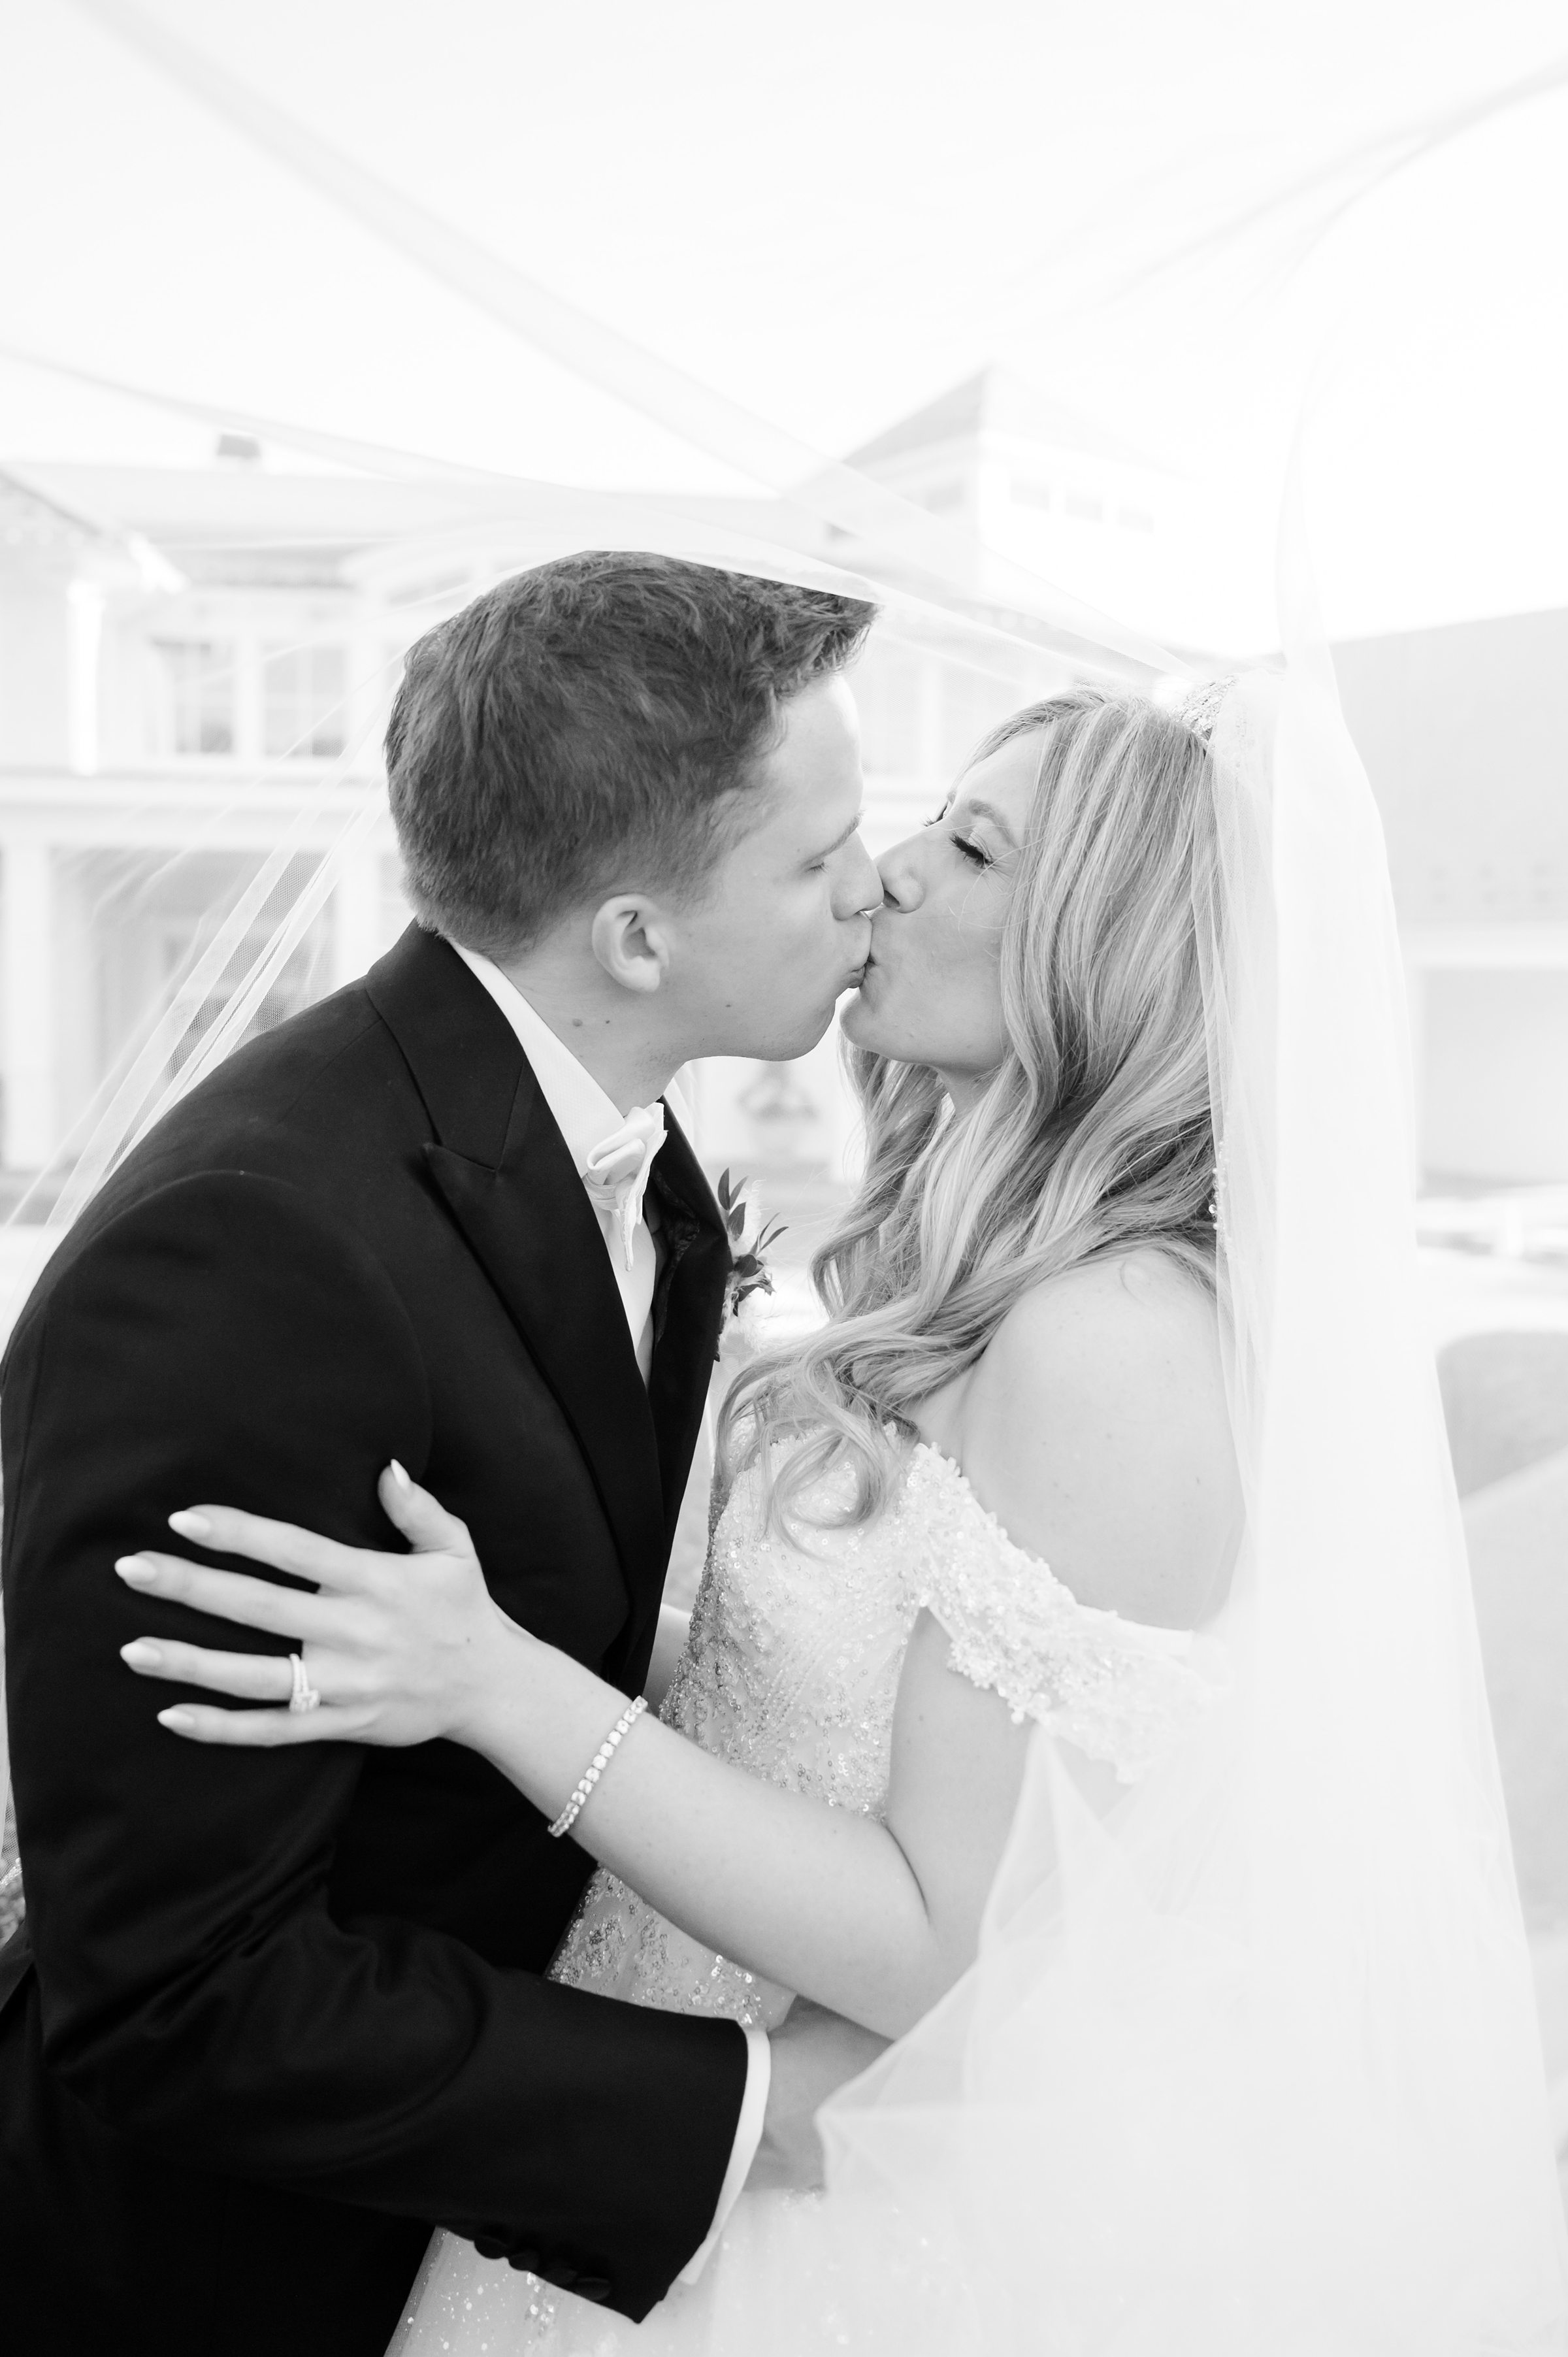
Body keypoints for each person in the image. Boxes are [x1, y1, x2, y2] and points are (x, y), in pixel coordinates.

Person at [115, 672, 1568, 2350]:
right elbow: (834, 1696)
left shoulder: (1117, 1345)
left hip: (818, 2190)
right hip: (652, 2066)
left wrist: (499, 1685)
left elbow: (947, 1939)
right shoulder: (973, 1273)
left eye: (967, 846)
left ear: (1093, 948)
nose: (884, 874)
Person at [0, 553, 891, 2357]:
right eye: (817, 858)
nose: (866, 890)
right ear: (637, 938)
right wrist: (732, 2111)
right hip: (222, 2281)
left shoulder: (616, 1133)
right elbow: (184, 1993)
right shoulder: (257, 1252)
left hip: (454, 2235)